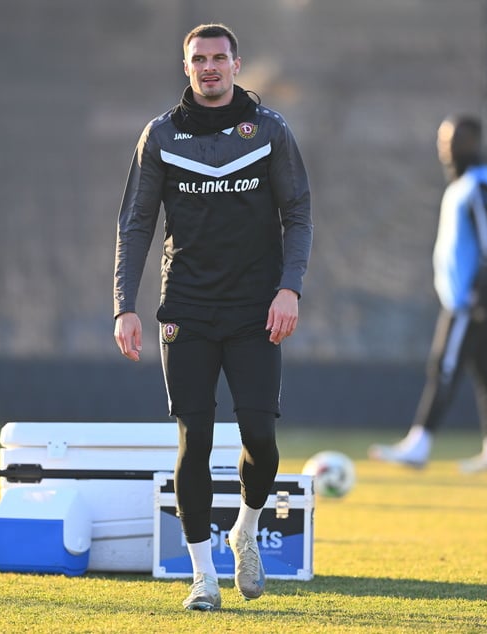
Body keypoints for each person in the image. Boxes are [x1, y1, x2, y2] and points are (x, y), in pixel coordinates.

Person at [112, 24, 312, 611]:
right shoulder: (160, 136)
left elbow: (298, 213)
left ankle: (245, 531)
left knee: (262, 441)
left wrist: (289, 289)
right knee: (194, 437)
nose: (210, 68)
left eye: (219, 58)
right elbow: (135, 224)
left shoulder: (271, 130)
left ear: (237, 64)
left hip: (256, 310)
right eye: (199, 59)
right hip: (188, 311)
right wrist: (124, 305)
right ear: (186, 67)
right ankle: (203, 577)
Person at [369, 115, 487, 473]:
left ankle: (419, 444)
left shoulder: (478, 185)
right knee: (486, 372)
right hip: (461, 298)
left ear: (474, 142)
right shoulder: (462, 184)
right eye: (443, 139)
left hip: (467, 301)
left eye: (455, 139)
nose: (446, 146)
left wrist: (481, 292)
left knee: (443, 367)